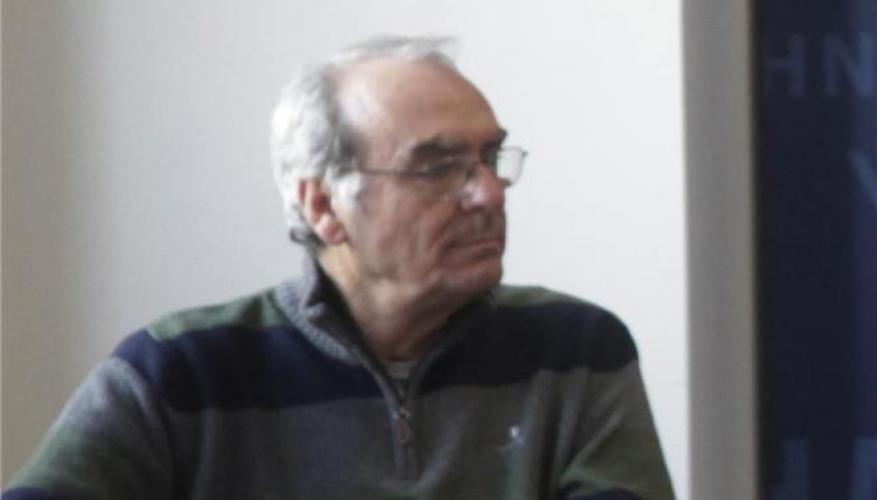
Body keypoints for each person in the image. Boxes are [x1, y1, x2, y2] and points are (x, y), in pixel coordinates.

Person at [3, 36, 675, 500]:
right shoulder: (181, 372)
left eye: (490, 158)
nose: (488, 194)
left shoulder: (575, 353)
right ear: (323, 205)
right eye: (438, 168)